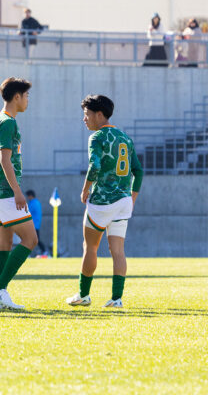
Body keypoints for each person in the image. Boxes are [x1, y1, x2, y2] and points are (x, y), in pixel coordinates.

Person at [66, 95, 143, 309]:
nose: (84, 119)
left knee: (90, 247)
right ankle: (116, 299)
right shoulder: (125, 137)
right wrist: (132, 198)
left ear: (99, 114)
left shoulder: (97, 137)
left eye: (87, 114)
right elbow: (139, 170)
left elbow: (95, 165)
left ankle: (83, 295)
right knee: (117, 251)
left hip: (102, 201)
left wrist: (85, 189)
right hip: (123, 201)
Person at [0, 77, 38, 310]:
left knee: (4, 244)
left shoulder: (0, 120)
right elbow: (6, 160)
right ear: (16, 96)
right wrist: (18, 191)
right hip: (7, 191)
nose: (28, 100)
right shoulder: (8, 122)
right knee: (30, 239)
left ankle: (0, 295)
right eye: (26, 95)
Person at [25, 190, 47, 255]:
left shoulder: (32, 203)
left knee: (31, 241)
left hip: (32, 225)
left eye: (28, 196)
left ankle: (44, 252)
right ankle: (44, 252)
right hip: (36, 225)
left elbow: (26, 212)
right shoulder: (37, 202)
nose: (27, 198)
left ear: (31, 196)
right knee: (35, 240)